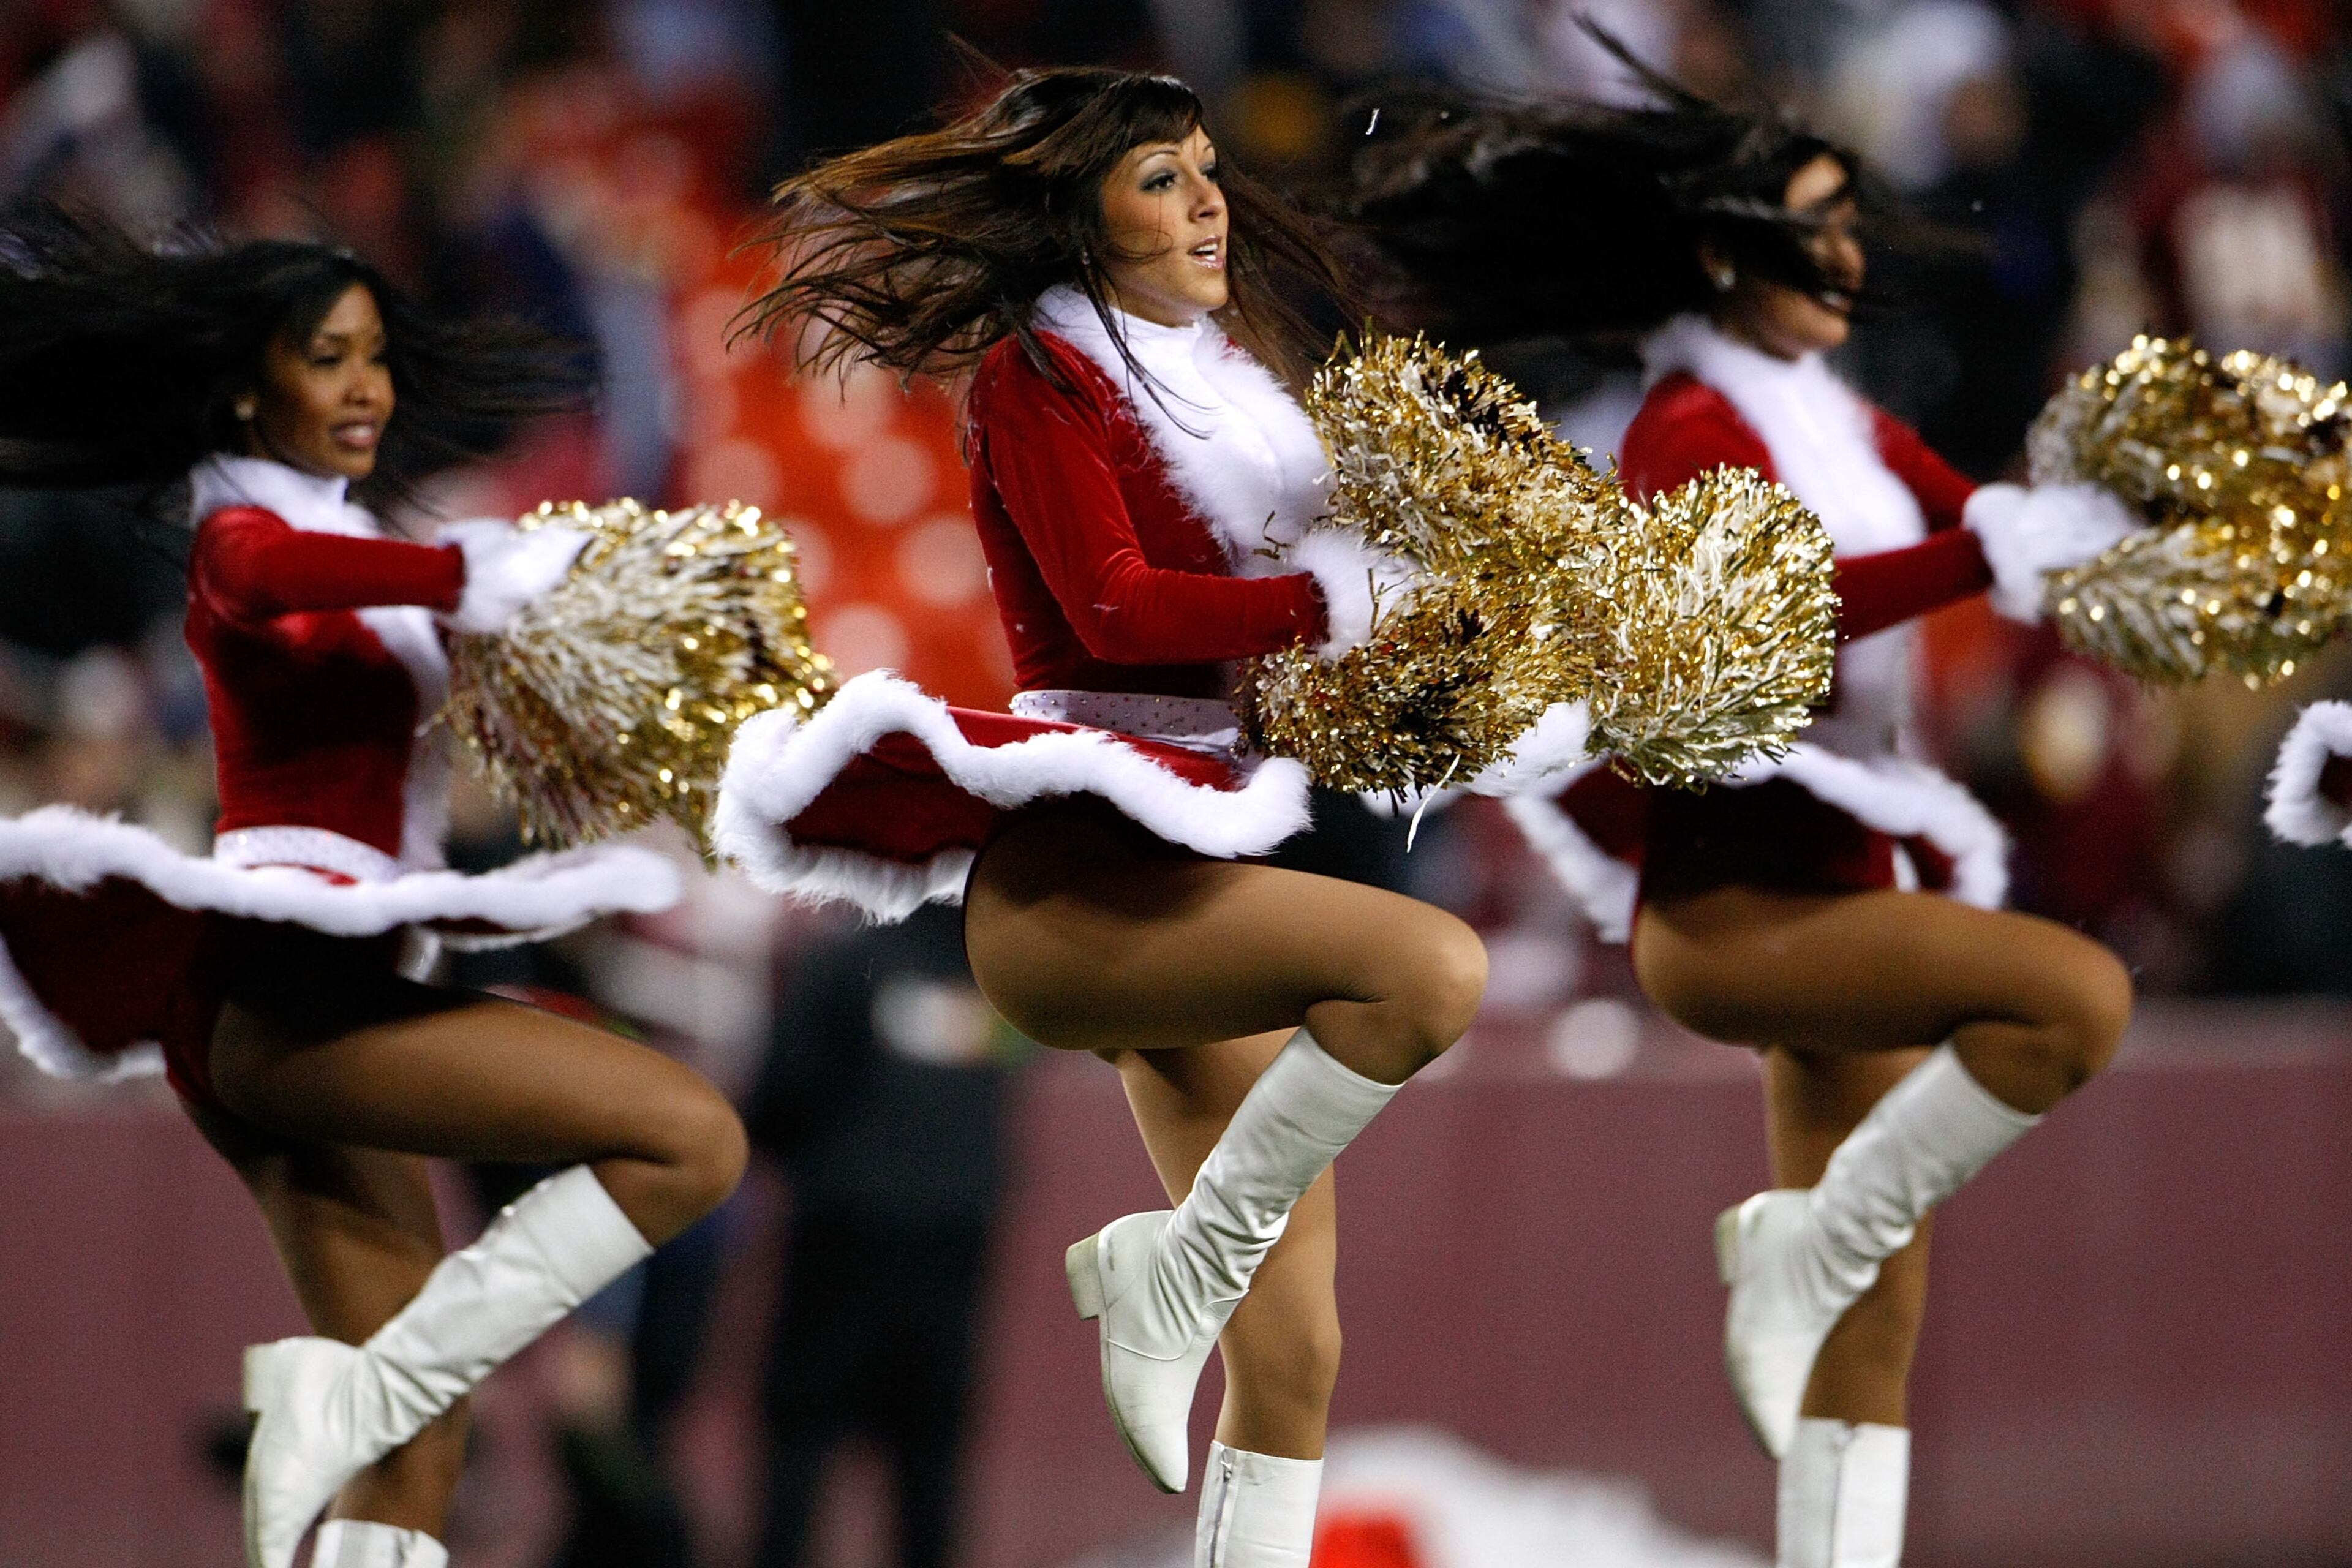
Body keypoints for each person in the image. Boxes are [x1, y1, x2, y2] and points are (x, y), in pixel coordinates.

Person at [1348, 54, 2137, 1568]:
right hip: (1737, 903)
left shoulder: (1832, 418)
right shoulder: (1682, 428)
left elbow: (1975, 516)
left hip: (1853, 873)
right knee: (2069, 998)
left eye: (1852, 223)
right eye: (1814, 225)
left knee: (1873, 1321)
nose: (1848, 256)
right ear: (1721, 251)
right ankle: (1801, 1245)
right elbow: (1788, 607)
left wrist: (2126, 519)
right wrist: (1993, 554)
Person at [716, 67, 1490, 1568]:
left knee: (1298, 1349)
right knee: (1429, 971)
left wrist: (1461, 648)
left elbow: (1277, 646)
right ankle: (1171, 1269)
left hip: (1198, 867)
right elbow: (1117, 610)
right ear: (1079, 217)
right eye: (1159, 177)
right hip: (1080, 880)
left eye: (1207, 169)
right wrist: (1342, 602)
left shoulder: (1231, 388)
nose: (1206, 198)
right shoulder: (1037, 377)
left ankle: (1184, 1291)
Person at [0, 203, 747, 1568]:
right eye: (329, 356)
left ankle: (355, 1410)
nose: (369, 387)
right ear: (247, 385)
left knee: (424, 1446)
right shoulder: (243, 527)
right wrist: (477, 569)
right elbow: (263, 576)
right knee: (692, 1136)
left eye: (378, 356)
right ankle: (340, 1401)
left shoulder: (359, 537)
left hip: (319, 999)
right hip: (291, 998)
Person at [746, 902, 1018, 1568]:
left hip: (842, 1243)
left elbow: (781, 1094)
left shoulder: (843, 959)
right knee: (929, 1473)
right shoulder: (1002, 979)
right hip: (953, 1243)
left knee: (800, 1454)